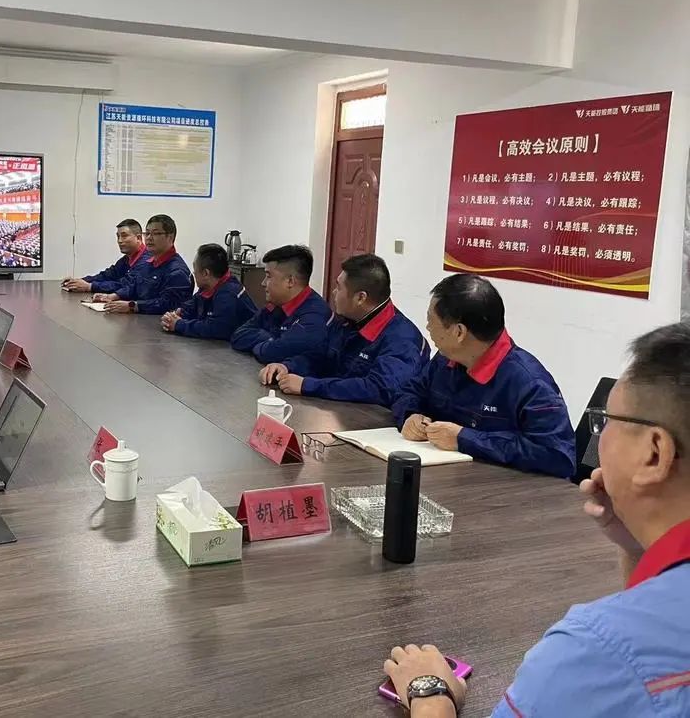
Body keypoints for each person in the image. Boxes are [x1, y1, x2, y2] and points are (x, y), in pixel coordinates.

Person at [382, 322, 690, 718]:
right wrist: (639, 544)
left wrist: (431, 695)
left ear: (654, 452)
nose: (602, 435)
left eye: (608, 421)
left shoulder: (595, 650)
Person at [392, 273, 575, 477]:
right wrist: (410, 415)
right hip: (448, 478)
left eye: (431, 320)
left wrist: (464, 439)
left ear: (459, 332)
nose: (427, 328)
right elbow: (409, 391)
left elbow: (558, 457)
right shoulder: (446, 359)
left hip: (504, 490)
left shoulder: (529, 383)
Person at [259, 254, 429, 407]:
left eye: (339, 287)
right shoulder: (348, 320)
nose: (334, 293)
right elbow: (321, 355)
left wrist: (307, 385)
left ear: (360, 298)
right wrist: (287, 366)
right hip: (337, 408)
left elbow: (378, 389)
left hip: (374, 421)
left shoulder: (402, 339)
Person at [230, 244, 329, 364]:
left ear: (290, 281)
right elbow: (238, 336)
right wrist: (271, 338)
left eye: (268, 276)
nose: (263, 283)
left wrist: (266, 343)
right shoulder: (276, 304)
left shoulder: (314, 316)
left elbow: (270, 353)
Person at [93, 214, 194, 315]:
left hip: (157, 322)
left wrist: (133, 306)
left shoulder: (177, 271)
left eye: (155, 233)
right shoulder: (148, 263)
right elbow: (133, 285)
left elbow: (168, 304)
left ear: (170, 237)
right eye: (147, 233)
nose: (149, 238)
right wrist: (114, 296)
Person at [161, 243, 257, 340]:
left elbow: (215, 329)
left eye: (195, 269)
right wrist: (176, 315)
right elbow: (191, 307)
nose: (194, 273)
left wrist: (179, 324)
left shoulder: (228, 293)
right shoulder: (208, 288)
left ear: (206, 273)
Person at [61, 218, 149, 293]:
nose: (119, 241)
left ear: (138, 238)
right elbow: (107, 275)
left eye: (124, 236)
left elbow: (124, 285)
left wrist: (90, 286)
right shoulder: (127, 258)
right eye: (118, 236)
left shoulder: (146, 260)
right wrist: (80, 281)